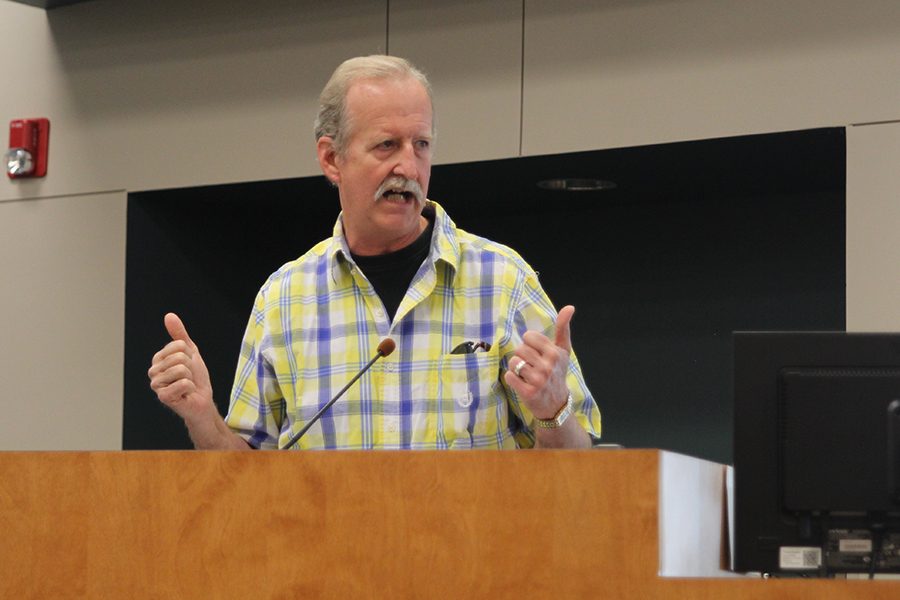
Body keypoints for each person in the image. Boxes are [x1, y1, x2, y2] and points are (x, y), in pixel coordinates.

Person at [148, 55, 601, 450]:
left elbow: (581, 464)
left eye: (420, 145)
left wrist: (551, 409)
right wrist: (202, 416)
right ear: (331, 159)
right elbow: (244, 480)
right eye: (387, 145)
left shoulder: (503, 281)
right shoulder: (284, 299)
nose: (407, 166)